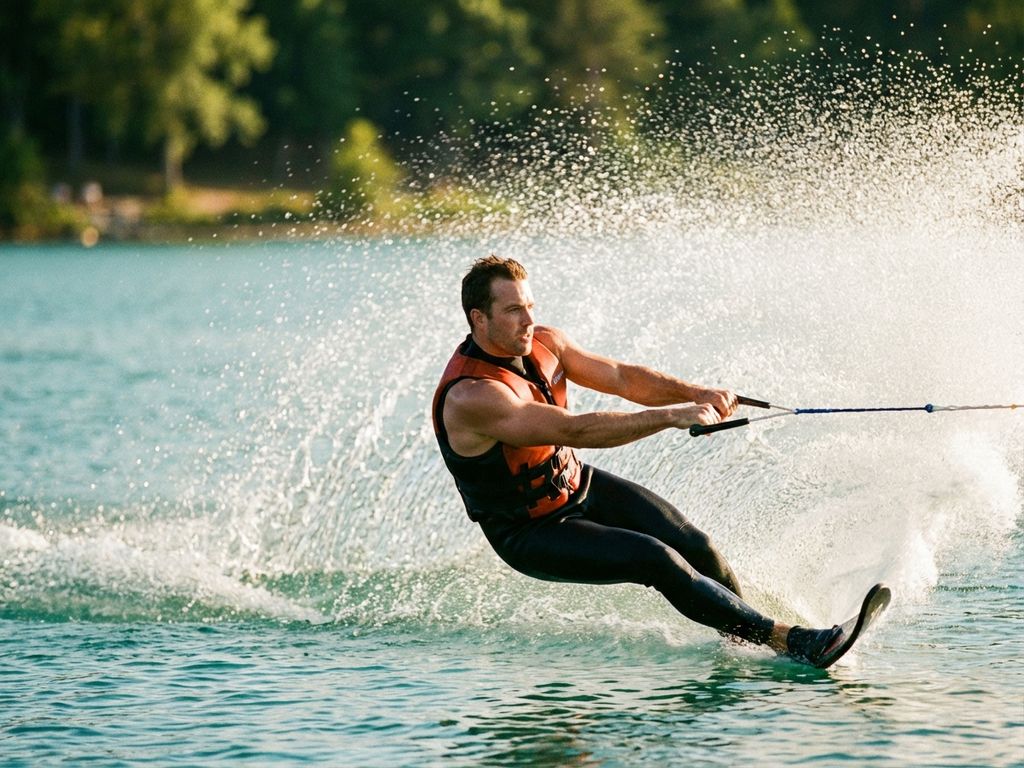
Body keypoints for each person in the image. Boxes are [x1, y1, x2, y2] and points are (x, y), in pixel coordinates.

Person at [432, 255, 851, 666]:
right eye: (512, 311)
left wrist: (697, 394)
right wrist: (671, 416)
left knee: (694, 544)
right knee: (654, 558)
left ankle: (747, 642)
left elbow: (621, 377)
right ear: (479, 319)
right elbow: (573, 430)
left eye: (529, 307)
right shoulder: (473, 395)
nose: (527, 320)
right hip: (529, 531)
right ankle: (791, 641)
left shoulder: (546, 342)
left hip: (579, 486)